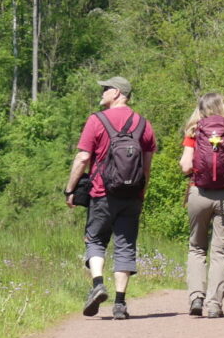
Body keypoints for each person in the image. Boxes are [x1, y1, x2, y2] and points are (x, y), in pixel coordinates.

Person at [64, 76, 157, 320]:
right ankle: (119, 304)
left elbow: (83, 158)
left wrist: (70, 189)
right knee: (125, 245)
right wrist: (141, 192)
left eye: (106, 89)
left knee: (95, 239)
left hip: (102, 193)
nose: (102, 92)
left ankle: (97, 284)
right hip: (132, 195)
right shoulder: (143, 124)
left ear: (117, 92)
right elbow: (147, 165)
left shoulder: (97, 120)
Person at [179, 93, 224, 318]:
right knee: (220, 251)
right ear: (222, 107)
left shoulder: (194, 131)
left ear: (200, 108)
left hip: (199, 193)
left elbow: (184, 166)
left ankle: (196, 297)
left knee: (197, 247)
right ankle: (214, 304)